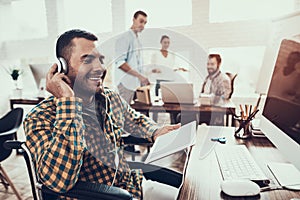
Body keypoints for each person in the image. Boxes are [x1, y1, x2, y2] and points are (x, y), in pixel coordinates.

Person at [24, 29, 181, 200]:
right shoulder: (39, 118)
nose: (99, 68)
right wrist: (68, 102)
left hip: (133, 184)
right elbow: (58, 181)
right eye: (87, 60)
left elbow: (134, 120)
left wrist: (155, 131)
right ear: (63, 67)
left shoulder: (108, 97)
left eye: (100, 60)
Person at [115, 10, 150, 104]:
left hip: (136, 86)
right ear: (133, 20)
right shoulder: (124, 38)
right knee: (125, 115)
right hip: (126, 85)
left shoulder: (138, 41)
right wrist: (140, 76)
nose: (143, 25)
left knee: (137, 115)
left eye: (145, 23)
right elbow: (120, 63)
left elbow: (138, 64)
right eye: (141, 21)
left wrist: (144, 77)